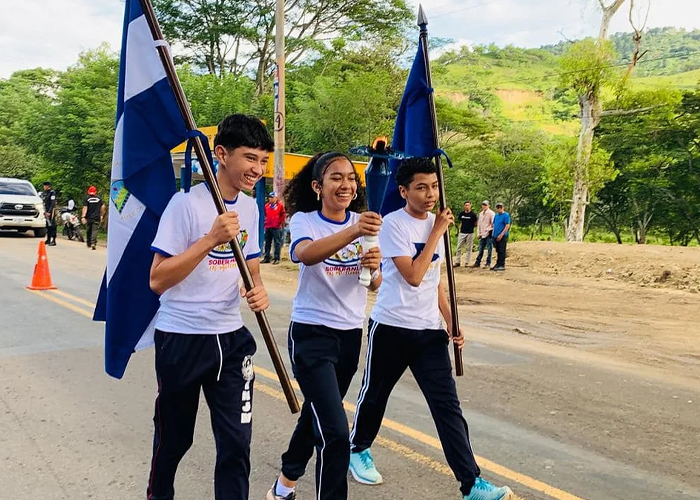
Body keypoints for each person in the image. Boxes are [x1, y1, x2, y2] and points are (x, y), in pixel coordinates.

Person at [348, 158, 513, 500]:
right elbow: (412, 276)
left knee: (447, 406)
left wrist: (452, 323)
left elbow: (436, 282)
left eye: (434, 186)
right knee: (375, 396)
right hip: (392, 326)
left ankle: (471, 484)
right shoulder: (394, 225)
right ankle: (357, 450)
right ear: (403, 190)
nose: (430, 194)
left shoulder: (437, 226)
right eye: (421, 187)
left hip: (428, 333)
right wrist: (437, 231)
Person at [146, 114, 272, 500]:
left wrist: (259, 292)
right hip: (181, 338)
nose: (257, 168)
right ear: (220, 154)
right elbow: (158, 279)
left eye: (263, 160)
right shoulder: (184, 205)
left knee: (236, 444)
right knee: (174, 441)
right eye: (250, 158)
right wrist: (210, 239)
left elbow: (252, 271)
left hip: (230, 340)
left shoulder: (251, 208)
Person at [266, 152, 383, 500]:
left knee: (315, 416)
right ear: (318, 186)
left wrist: (373, 267)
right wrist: (353, 232)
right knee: (334, 432)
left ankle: (283, 487)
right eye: (335, 178)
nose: (345, 184)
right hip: (311, 334)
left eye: (350, 178)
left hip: (349, 336)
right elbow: (306, 254)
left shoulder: (365, 224)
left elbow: (373, 283)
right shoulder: (305, 221)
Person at [262, 191, 286, 264]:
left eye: (272, 197)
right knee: (267, 242)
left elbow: (283, 214)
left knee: (277, 242)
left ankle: (276, 258)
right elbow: (265, 214)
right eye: (270, 197)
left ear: (276, 198)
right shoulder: (266, 206)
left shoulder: (280, 205)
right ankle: (267, 257)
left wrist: (279, 222)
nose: (271, 199)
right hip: (268, 226)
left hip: (276, 227)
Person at [454, 201, 477, 268]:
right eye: (466, 205)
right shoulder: (462, 214)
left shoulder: (473, 214)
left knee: (469, 248)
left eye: (468, 205)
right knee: (458, 247)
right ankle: (457, 262)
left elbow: (476, 223)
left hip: (470, 233)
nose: (467, 206)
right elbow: (461, 222)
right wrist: (458, 231)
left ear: (470, 206)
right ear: (464, 206)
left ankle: (467, 262)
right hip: (462, 232)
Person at [81, 185, 105, 250]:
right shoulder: (99, 199)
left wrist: (83, 216)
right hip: (96, 217)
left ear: (88, 192)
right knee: (95, 230)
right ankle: (93, 243)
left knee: (89, 230)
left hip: (88, 218)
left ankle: (89, 243)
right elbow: (103, 207)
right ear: (95, 192)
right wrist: (102, 215)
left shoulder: (87, 199)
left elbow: (85, 208)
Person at [473, 200, 495, 269]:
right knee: (480, 249)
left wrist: (491, 232)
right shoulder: (481, 213)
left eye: (485, 205)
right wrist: (478, 233)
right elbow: (479, 224)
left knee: (489, 249)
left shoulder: (491, 213)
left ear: (488, 206)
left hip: (488, 233)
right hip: (482, 233)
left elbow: (493, 224)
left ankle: (488, 263)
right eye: (483, 205)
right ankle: (477, 262)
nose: (484, 206)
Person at [492, 203, 511, 272]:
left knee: (502, 250)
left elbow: (507, 225)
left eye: (500, 207)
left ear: (503, 208)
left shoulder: (506, 215)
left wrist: (501, 234)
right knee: (497, 250)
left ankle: (502, 265)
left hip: (502, 235)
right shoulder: (496, 216)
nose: (499, 209)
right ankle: (498, 263)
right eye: (498, 208)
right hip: (495, 235)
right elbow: (494, 224)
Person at [41, 181, 57, 246]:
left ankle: (53, 240)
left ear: (48, 186)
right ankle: (48, 239)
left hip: (51, 211)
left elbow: (52, 203)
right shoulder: (45, 193)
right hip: (46, 211)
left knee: (52, 225)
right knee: (48, 225)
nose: (44, 187)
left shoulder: (52, 193)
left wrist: (49, 212)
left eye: (45, 186)